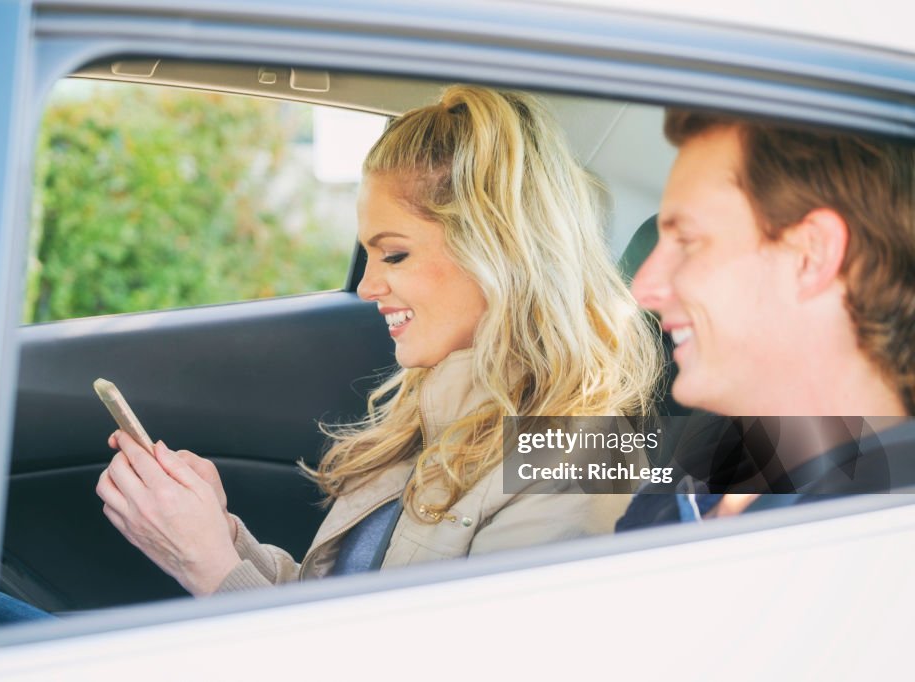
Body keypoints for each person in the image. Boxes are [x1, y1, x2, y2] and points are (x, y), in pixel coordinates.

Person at [94, 85, 661, 595]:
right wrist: (223, 539)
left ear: (500, 251)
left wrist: (211, 569)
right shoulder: (428, 417)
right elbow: (337, 611)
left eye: (394, 254)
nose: (366, 286)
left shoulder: (579, 463)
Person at [618, 109, 915, 529]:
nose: (642, 289)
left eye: (687, 241)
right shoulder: (697, 467)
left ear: (810, 257)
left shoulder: (880, 545)